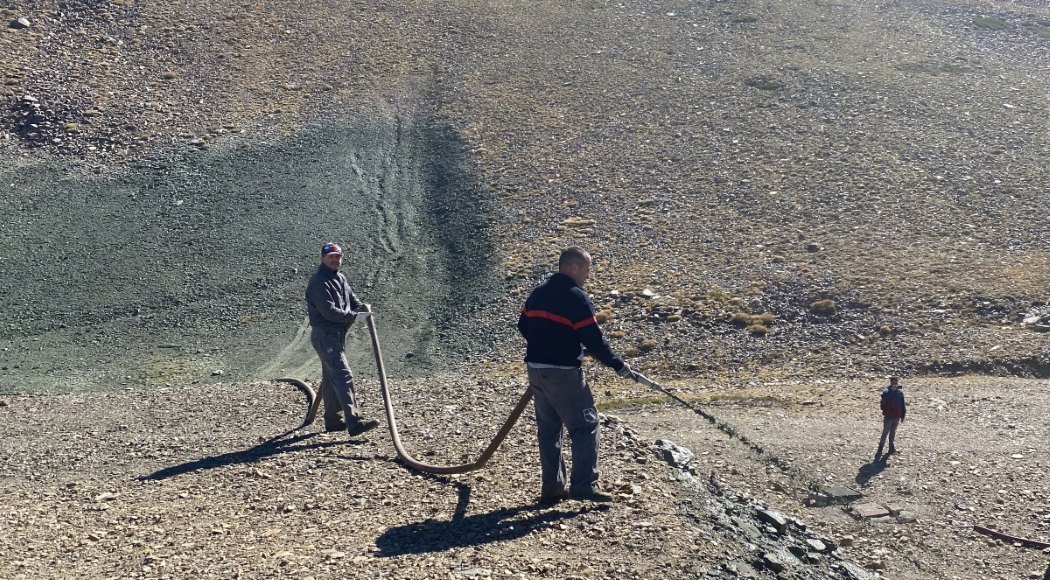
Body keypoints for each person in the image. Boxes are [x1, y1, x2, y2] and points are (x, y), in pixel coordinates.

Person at [517, 247, 637, 504]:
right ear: (573, 267)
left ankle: (552, 488)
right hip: (563, 373)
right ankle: (584, 486)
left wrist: (545, 346)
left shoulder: (538, 293)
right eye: (586, 269)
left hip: (536, 370)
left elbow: (523, 325)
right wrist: (617, 365)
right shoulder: (575, 297)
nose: (588, 275)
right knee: (586, 425)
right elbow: (594, 339)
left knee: (549, 430)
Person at [305, 242, 380, 437]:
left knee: (331, 380)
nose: (334, 259)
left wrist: (362, 308)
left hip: (337, 335)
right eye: (331, 256)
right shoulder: (318, 282)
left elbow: (353, 300)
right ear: (322, 258)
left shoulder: (340, 278)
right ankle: (354, 422)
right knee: (343, 375)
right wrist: (355, 316)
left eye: (337, 256)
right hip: (325, 335)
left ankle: (333, 421)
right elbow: (329, 312)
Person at [875, 376, 906, 459]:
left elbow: (903, 405)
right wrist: (885, 410)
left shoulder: (900, 393)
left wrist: (903, 415)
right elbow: (882, 404)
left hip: (897, 416)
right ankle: (880, 449)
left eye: (896, 381)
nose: (895, 383)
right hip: (888, 416)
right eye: (894, 381)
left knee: (893, 432)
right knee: (885, 433)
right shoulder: (886, 392)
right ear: (891, 382)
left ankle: (891, 449)